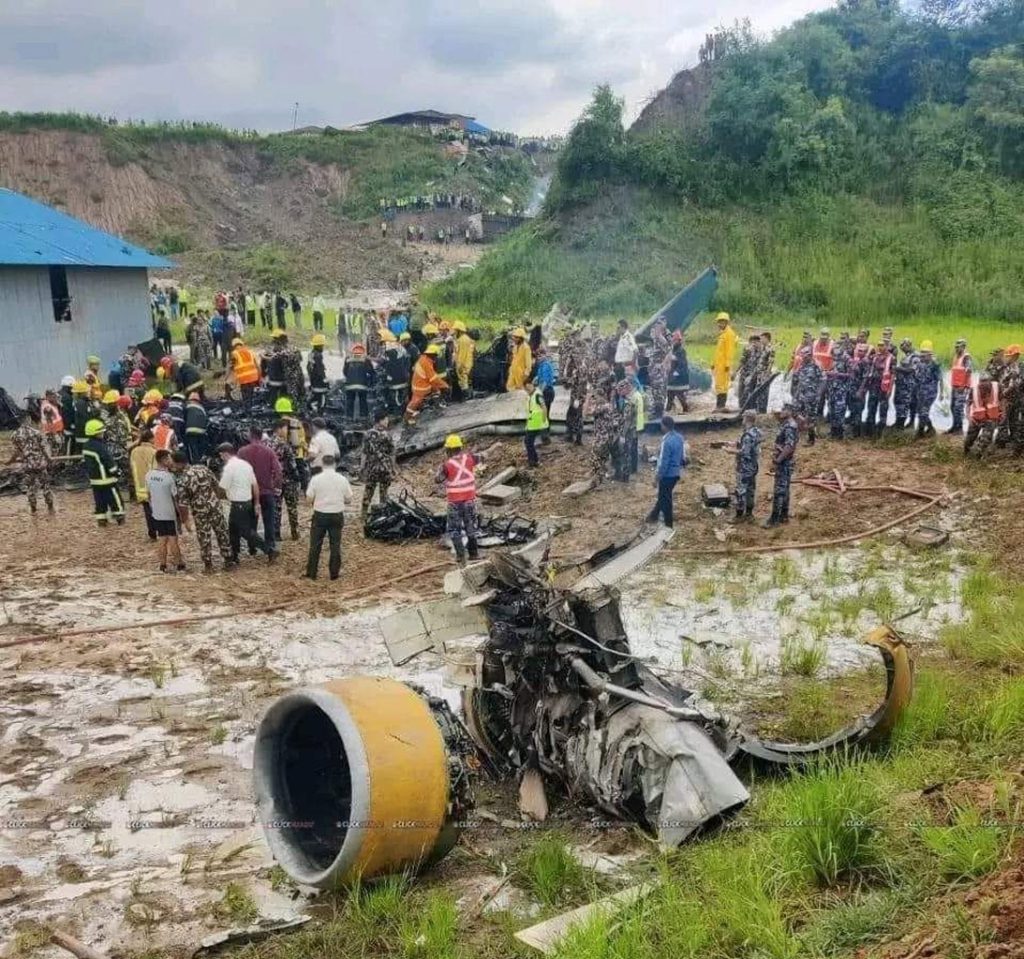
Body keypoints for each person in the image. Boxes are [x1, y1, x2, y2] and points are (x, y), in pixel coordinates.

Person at [218, 443, 270, 563]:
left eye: (221, 455)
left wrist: (219, 495)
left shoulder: (229, 468)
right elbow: (255, 485)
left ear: (225, 454)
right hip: (247, 502)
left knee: (246, 532)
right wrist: (256, 503)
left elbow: (222, 487)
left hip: (238, 504)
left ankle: (269, 549)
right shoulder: (246, 465)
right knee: (233, 531)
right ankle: (234, 556)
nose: (221, 458)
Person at [436, 435, 483, 566]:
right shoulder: (470, 458)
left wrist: (443, 470)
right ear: (460, 447)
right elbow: (483, 456)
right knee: (471, 527)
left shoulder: (447, 465)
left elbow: (437, 479)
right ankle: (474, 554)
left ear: (448, 450)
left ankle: (461, 556)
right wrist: (495, 447)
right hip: (469, 501)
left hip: (454, 503)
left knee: (454, 530)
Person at [304, 455, 352, 580]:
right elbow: (349, 499)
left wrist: (316, 501)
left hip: (320, 514)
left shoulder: (316, 479)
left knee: (315, 545)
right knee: (335, 544)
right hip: (336, 514)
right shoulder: (342, 479)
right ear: (335, 464)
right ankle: (334, 573)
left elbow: (309, 498)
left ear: (323, 465)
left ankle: (311, 572)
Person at [237, 427, 283, 557]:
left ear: (250, 436)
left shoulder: (242, 452)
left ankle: (253, 547)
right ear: (261, 436)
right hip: (267, 491)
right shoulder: (269, 451)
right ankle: (271, 547)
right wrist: (276, 486)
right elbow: (278, 471)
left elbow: (238, 470)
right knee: (269, 521)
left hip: (249, 492)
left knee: (252, 521)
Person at [8, 408, 54, 514]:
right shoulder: (37, 433)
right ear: (28, 419)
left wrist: (10, 461)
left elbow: (17, 452)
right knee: (46, 485)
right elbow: (44, 448)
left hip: (28, 465)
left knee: (31, 487)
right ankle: (50, 506)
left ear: (19, 421)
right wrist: (49, 459)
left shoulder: (15, 435)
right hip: (40, 463)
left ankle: (33, 508)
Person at [145, 449, 185, 572]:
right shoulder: (169, 477)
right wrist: (181, 517)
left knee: (162, 539)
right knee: (173, 539)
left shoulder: (149, 475)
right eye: (168, 459)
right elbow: (175, 499)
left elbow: (148, 495)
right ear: (163, 460)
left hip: (157, 513)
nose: (170, 461)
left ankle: (162, 565)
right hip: (169, 513)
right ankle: (179, 564)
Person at [82, 419, 125, 527]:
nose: (103, 433)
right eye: (101, 432)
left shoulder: (86, 446)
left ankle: (101, 519)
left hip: (94, 480)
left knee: (99, 501)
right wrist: (117, 472)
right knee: (114, 498)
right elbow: (109, 462)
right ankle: (119, 516)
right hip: (107, 479)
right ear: (96, 433)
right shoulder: (101, 447)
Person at [765, 403, 798, 528]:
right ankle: (784, 515)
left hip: (784, 462)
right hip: (786, 461)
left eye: (784, 409)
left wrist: (778, 460)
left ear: (790, 411)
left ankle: (775, 519)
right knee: (785, 490)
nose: (781, 411)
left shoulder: (790, 427)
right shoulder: (789, 424)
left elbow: (789, 446)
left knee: (779, 490)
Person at [646, 415, 684, 527]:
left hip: (667, 475)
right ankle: (653, 515)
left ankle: (669, 524)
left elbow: (663, 463)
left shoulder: (666, 442)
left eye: (661, 425)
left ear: (665, 426)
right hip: (676, 473)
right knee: (664, 495)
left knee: (666, 500)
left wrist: (657, 478)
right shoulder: (679, 437)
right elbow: (683, 457)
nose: (661, 427)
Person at [268, 419, 302, 541]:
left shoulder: (267, 443)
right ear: (280, 428)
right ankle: (295, 533)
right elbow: (292, 465)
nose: (287, 431)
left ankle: (276, 534)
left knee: (276, 508)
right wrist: (298, 477)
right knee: (292, 507)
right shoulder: (284, 444)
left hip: (274, 481)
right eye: (286, 429)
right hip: (288, 480)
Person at [727, 411, 762, 521]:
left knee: (740, 490)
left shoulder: (747, 435)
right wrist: (736, 443)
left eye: (744, 418)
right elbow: (752, 446)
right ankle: (749, 514)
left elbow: (744, 452)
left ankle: (739, 515)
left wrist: (730, 451)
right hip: (753, 465)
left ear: (747, 419)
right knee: (751, 489)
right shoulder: (756, 431)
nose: (742, 420)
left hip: (744, 466)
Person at [361, 411, 396, 519]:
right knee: (384, 492)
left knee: (369, 490)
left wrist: (362, 467)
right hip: (385, 468)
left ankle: (364, 513)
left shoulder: (367, 434)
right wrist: (393, 468)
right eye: (386, 419)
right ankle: (382, 514)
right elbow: (392, 453)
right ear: (380, 420)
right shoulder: (387, 435)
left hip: (372, 468)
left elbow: (364, 452)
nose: (387, 421)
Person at [406, 345, 449, 421]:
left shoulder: (424, 359)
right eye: (436, 356)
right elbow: (433, 378)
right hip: (421, 387)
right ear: (433, 354)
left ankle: (436, 407)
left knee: (436, 390)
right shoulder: (426, 363)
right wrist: (445, 386)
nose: (436, 358)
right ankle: (408, 419)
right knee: (415, 403)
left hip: (421, 384)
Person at [131, 428, 158, 540]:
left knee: (147, 510)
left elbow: (132, 468)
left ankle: (152, 532)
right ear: (151, 439)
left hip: (140, 485)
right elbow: (156, 468)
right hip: (152, 485)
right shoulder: (153, 452)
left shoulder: (134, 451)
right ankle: (160, 530)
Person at [914, 340, 944, 438]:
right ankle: (923, 429)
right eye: (921, 355)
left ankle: (926, 430)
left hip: (930, 392)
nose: (922, 357)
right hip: (920, 391)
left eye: (924, 355)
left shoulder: (934, 365)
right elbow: (917, 377)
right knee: (919, 411)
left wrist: (941, 393)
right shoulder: (920, 364)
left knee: (924, 411)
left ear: (930, 355)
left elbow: (940, 379)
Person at [712, 312, 738, 410]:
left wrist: (727, 364)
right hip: (719, 365)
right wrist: (713, 364)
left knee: (723, 386)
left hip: (724, 366)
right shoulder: (722, 334)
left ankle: (721, 406)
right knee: (718, 385)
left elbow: (730, 351)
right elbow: (718, 351)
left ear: (726, 322)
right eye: (718, 322)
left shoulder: (730, 334)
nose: (719, 324)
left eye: (721, 322)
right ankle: (718, 406)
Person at [343, 343, 374, 420]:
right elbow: (371, 371)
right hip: (362, 385)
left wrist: (349, 377)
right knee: (363, 401)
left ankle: (349, 418)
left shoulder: (348, 358)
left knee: (350, 401)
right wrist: (370, 380)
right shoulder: (366, 359)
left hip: (350, 385)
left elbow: (344, 371)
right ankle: (363, 418)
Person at [948, 338, 972, 434]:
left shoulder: (966, 357)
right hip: (955, 386)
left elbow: (968, 372)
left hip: (962, 387)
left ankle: (960, 428)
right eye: (956, 347)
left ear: (963, 347)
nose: (957, 349)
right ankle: (954, 426)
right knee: (952, 406)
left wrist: (963, 385)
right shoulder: (956, 357)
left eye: (959, 347)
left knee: (959, 407)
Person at [533, 347, 556, 443]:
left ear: (544, 355)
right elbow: (539, 377)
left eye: (540, 355)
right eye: (538, 356)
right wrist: (536, 378)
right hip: (544, 391)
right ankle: (544, 436)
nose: (539, 358)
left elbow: (546, 382)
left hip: (547, 392)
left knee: (544, 414)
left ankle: (545, 437)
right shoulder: (541, 365)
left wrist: (539, 393)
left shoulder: (546, 365)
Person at [230, 338, 261, 409]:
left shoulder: (234, 353)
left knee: (245, 396)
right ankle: (250, 408)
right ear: (242, 344)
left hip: (243, 379)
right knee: (250, 395)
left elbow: (231, 368)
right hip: (253, 377)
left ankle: (247, 410)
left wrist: (232, 381)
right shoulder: (251, 352)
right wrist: (259, 377)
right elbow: (258, 366)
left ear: (233, 346)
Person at [524, 381, 549, 468]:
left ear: (532, 385)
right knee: (528, 442)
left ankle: (533, 461)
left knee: (528, 442)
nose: (528, 390)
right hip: (532, 423)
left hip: (537, 423)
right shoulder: (530, 396)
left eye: (529, 387)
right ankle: (534, 460)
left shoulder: (537, 395)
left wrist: (543, 420)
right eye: (526, 389)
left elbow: (544, 407)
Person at [666, 336, 690, 412]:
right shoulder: (673, 350)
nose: (673, 342)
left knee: (679, 394)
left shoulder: (681, 351)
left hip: (679, 376)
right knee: (670, 394)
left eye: (674, 340)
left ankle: (685, 409)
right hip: (672, 375)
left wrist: (676, 373)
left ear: (679, 341)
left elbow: (682, 364)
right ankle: (668, 409)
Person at [453, 320, 475, 401]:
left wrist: (459, 366)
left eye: (455, 330)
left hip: (463, 364)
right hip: (468, 363)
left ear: (459, 330)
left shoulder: (461, 340)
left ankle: (466, 396)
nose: (454, 332)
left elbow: (461, 355)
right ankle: (469, 395)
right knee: (468, 380)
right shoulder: (467, 338)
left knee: (463, 381)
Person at [308, 334, 329, 413]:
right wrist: (325, 380)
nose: (323, 347)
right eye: (322, 346)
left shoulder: (311, 354)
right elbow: (320, 370)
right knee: (322, 399)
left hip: (314, 381)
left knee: (316, 395)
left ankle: (309, 405)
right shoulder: (318, 356)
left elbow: (310, 369)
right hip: (319, 382)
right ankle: (320, 413)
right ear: (319, 346)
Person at [184, 393, 208, 463]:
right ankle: (200, 460)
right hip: (202, 432)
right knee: (199, 447)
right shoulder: (202, 407)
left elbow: (184, 417)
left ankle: (195, 463)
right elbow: (206, 418)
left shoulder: (187, 406)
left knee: (192, 448)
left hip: (191, 431)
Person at [264, 331, 287, 403]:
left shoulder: (269, 349)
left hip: (272, 378)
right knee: (283, 398)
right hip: (280, 378)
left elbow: (264, 363)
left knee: (273, 398)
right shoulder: (282, 350)